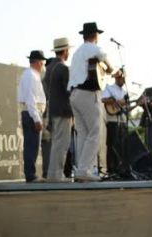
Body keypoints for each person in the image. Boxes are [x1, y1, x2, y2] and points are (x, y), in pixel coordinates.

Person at [68, 22, 117, 181]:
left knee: (83, 133)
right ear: (95, 35)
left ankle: (82, 170)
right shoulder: (91, 48)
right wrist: (111, 70)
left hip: (74, 94)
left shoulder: (77, 53)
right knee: (95, 132)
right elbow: (104, 57)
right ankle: (84, 170)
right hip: (88, 94)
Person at [17, 50, 47, 182]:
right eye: (42, 62)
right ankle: (30, 174)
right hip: (31, 113)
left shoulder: (31, 75)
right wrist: (36, 118)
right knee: (31, 145)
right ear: (38, 62)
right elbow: (30, 98)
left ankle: (31, 173)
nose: (43, 65)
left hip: (32, 112)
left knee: (33, 145)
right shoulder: (30, 75)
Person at [46, 37, 73, 182]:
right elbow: (69, 92)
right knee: (62, 144)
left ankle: (53, 174)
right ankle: (57, 175)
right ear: (65, 51)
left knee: (56, 143)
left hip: (53, 110)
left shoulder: (49, 67)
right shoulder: (63, 68)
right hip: (63, 111)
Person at [101, 69, 130, 177]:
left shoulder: (125, 92)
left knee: (121, 146)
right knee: (111, 145)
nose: (123, 80)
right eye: (122, 78)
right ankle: (111, 169)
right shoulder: (109, 88)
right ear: (117, 78)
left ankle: (120, 169)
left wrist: (137, 104)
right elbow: (103, 99)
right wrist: (117, 102)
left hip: (122, 121)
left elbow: (126, 108)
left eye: (124, 78)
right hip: (112, 120)